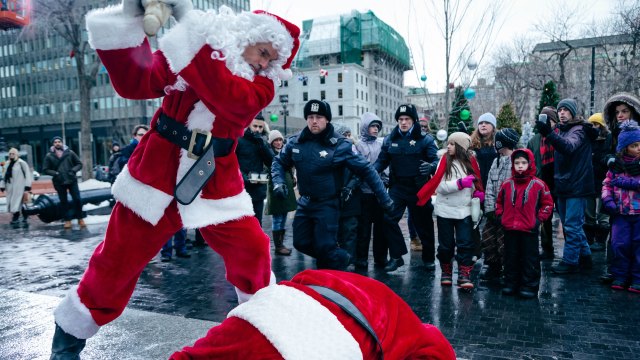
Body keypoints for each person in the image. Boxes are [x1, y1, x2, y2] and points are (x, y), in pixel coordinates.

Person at [50, 1, 301, 358]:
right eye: (263, 52)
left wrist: (190, 23)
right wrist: (130, 20)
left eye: (271, 61)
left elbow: (229, 96)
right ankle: (68, 339)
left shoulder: (260, 86)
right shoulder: (195, 53)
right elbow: (137, 82)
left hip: (214, 182)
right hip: (155, 176)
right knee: (114, 264)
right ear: (247, 37)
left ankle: (264, 330)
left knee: (252, 252)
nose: (264, 64)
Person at [170, 269, 456, 359]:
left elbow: (305, 277)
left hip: (274, 309)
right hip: (323, 341)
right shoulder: (409, 338)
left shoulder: (389, 305)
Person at [271, 99, 393, 271]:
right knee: (300, 242)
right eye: (311, 116)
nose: (314, 121)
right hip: (305, 202)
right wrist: (278, 182)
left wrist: (385, 199)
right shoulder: (295, 141)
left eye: (319, 117)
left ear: (327, 119)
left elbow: (367, 170)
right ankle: (343, 258)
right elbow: (278, 162)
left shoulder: (340, 145)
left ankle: (331, 279)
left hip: (327, 204)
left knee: (325, 247)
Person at [535, 98, 597, 274]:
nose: (561, 113)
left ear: (573, 112)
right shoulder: (561, 130)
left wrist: (549, 133)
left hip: (576, 185)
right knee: (572, 224)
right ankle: (585, 257)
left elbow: (569, 147)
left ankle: (570, 261)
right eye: (560, 110)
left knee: (571, 225)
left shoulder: (579, 130)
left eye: (565, 110)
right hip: (563, 184)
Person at [374, 103, 439, 272]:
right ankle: (397, 256)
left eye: (407, 119)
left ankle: (429, 258)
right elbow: (381, 161)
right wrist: (370, 172)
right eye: (400, 119)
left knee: (423, 224)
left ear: (414, 120)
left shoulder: (425, 139)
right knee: (388, 219)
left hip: (419, 188)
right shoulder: (390, 139)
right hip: (398, 187)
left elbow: (437, 161)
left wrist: (431, 167)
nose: (403, 122)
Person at [417, 132, 484, 289]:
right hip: (445, 210)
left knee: (465, 243)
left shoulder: (472, 161)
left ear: (461, 147)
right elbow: (439, 186)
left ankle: (464, 274)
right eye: (448, 143)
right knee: (446, 244)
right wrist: (460, 183)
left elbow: (477, 180)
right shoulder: (444, 160)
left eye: (452, 144)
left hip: (465, 210)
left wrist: (477, 191)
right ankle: (446, 271)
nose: (448, 146)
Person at [495, 149, 554, 298]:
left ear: (530, 164)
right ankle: (511, 283)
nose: (520, 166)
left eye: (523, 163)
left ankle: (529, 285)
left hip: (529, 229)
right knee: (511, 257)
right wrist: (501, 216)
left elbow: (547, 204)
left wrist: (538, 220)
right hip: (510, 228)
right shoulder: (507, 184)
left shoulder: (538, 185)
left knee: (530, 259)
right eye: (517, 163)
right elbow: (499, 202)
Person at [601, 122, 640, 293]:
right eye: (634, 145)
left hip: (638, 214)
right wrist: (608, 201)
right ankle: (620, 275)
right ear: (625, 148)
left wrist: (627, 182)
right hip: (621, 213)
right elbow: (606, 185)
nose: (638, 148)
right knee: (619, 244)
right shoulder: (617, 167)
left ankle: (637, 278)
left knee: (638, 246)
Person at [481, 128, 520, 281]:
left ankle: (509, 268)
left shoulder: (516, 161)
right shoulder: (496, 161)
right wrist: (490, 209)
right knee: (488, 238)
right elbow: (490, 185)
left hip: (509, 212)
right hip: (494, 211)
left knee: (505, 241)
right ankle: (493, 265)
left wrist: (508, 210)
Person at [354, 113, 389, 269]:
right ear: (365, 127)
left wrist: (385, 181)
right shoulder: (358, 146)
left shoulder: (382, 144)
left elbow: (386, 164)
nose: (375, 129)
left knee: (381, 229)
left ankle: (380, 258)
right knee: (363, 228)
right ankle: (361, 258)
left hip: (380, 193)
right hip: (364, 193)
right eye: (372, 126)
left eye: (377, 127)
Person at [527, 107, 559, 260]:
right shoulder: (534, 140)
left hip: (559, 182)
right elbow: (529, 161)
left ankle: (575, 253)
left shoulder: (559, 136)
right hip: (541, 183)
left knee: (566, 219)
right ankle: (547, 248)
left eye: (551, 121)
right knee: (544, 218)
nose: (547, 124)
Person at [236, 113, 274, 225]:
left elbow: (272, 161)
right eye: (255, 126)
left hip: (258, 188)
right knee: (242, 222)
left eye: (260, 127)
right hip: (242, 188)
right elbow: (233, 162)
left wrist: (262, 144)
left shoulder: (262, 141)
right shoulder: (239, 140)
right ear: (249, 125)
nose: (257, 129)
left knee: (257, 223)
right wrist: (243, 177)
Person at [42, 136, 85, 230]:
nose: (57, 143)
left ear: (62, 143)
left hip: (71, 179)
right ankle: (67, 220)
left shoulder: (70, 152)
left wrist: (73, 171)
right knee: (63, 202)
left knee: (77, 199)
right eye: (55, 142)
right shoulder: (49, 155)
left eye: (59, 142)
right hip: (59, 181)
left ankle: (80, 218)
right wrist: (55, 173)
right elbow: (45, 169)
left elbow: (79, 164)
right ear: (53, 144)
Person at [264, 129, 296, 255]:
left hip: (286, 187)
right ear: (271, 142)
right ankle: (278, 246)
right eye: (275, 140)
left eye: (280, 140)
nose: (278, 142)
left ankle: (281, 244)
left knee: (283, 217)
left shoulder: (285, 152)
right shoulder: (270, 154)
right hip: (276, 189)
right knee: (278, 217)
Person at [584, 113, 612, 251]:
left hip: (603, 180)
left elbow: (606, 157)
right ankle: (589, 240)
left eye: (596, 124)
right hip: (589, 180)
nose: (594, 127)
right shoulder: (588, 139)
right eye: (592, 125)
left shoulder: (607, 139)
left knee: (603, 213)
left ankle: (600, 242)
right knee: (589, 212)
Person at [0, 148, 32, 226]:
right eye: (10, 153)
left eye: (13, 153)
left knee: (17, 201)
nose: (11, 155)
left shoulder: (22, 163)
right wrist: (2, 185)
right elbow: (3, 176)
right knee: (14, 202)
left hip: (20, 186)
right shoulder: (6, 164)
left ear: (17, 154)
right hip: (10, 187)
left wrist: (27, 187)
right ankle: (25, 214)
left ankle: (16, 217)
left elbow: (28, 175)